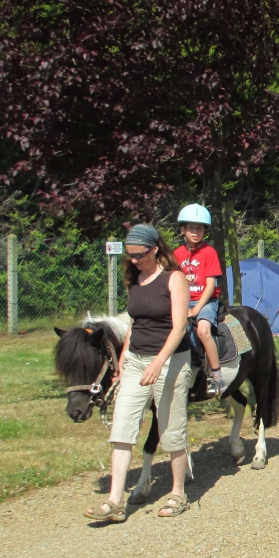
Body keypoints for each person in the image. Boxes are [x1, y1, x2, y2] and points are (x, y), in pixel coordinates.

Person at [85, 224, 192, 522]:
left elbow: (179, 327)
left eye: (139, 255)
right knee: (123, 426)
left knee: (171, 427)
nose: (133, 260)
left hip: (170, 360)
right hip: (135, 361)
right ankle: (115, 501)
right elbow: (135, 323)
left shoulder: (175, 279)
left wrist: (158, 362)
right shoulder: (134, 278)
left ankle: (178, 493)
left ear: (155, 248)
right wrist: (121, 361)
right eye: (129, 255)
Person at [174, 204, 225, 396]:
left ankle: (217, 375)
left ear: (205, 231)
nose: (196, 232)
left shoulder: (209, 252)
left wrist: (196, 311)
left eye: (200, 228)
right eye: (191, 228)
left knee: (203, 330)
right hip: (184, 301)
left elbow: (211, 285)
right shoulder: (176, 254)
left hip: (206, 300)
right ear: (182, 230)